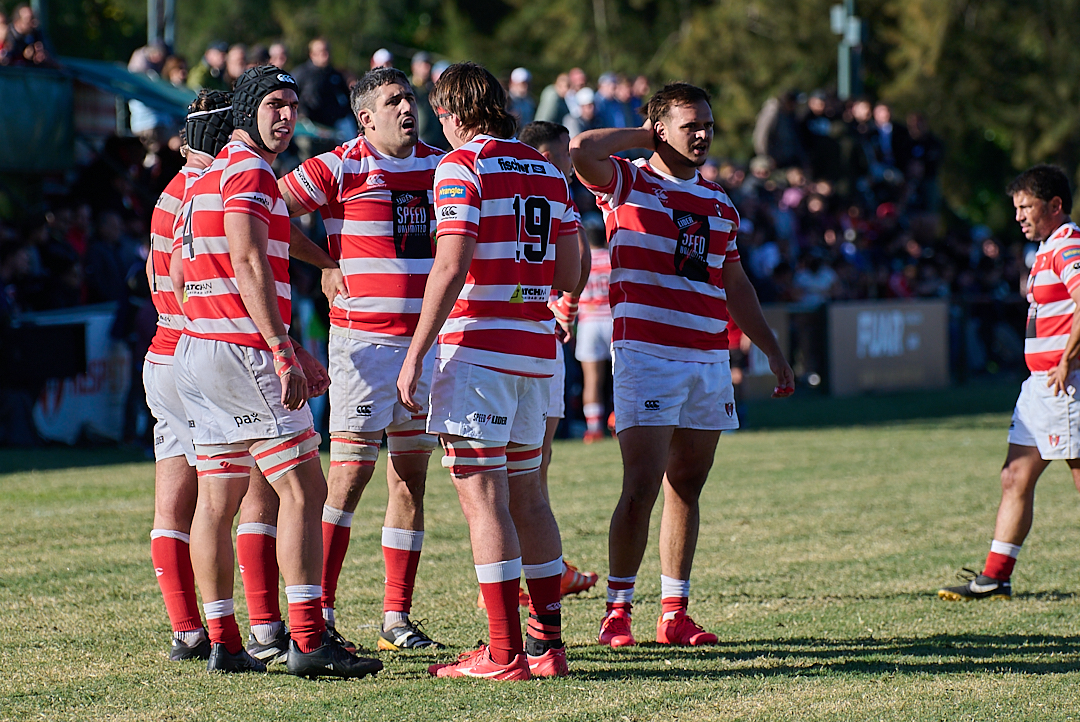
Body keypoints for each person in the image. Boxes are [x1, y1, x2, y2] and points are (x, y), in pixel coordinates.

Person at [173, 65, 381, 678]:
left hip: (197, 348)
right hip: (241, 350)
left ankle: (223, 640)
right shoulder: (251, 169)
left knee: (218, 499)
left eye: (292, 104)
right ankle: (310, 640)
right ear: (245, 110)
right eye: (273, 104)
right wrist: (279, 347)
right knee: (305, 490)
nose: (287, 116)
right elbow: (247, 258)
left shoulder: (205, 176)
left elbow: (188, 272)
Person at [570, 82, 794, 648]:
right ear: (660, 128)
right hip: (647, 355)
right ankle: (618, 610)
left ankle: (674, 613)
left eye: (707, 125)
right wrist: (643, 136)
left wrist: (770, 347)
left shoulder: (720, 202)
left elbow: (735, 282)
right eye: (690, 125)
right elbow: (580, 149)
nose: (702, 135)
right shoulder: (627, 181)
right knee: (641, 485)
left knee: (687, 485)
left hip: (708, 357)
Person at [396, 62, 581, 680]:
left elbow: (450, 265)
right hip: (535, 350)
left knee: (484, 499)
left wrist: (416, 352)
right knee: (530, 496)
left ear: (452, 111)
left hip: (478, 350)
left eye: (439, 114)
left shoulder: (461, 165)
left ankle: (503, 654)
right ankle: (546, 647)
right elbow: (570, 274)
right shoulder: (547, 170)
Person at [279, 67, 446, 651]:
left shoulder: (443, 167)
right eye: (394, 100)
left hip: (425, 346)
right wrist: (324, 263)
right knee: (348, 479)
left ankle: (396, 618)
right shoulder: (340, 164)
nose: (407, 108)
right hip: (363, 345)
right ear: (366, 118)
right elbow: (267, 210)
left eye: (410, 98)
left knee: (410, 481)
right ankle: (320, 613)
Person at [939, 165, 1080, 602]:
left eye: (1026, 207)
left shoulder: (1068, 243)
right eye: (1016, 208)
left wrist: (1067, 360)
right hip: (1039, 387)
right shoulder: (1046, 248)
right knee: (1014, 476)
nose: (1018, 216)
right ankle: (996, 577)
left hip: (1066, 385)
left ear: (1054, 205)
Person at [144, 89, 236, 663]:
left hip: (161, 352)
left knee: (172, 507)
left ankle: (186, 630)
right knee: (239, 499)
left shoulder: (170, 191)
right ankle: (256, 628)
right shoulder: (213, 189)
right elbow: (190, 275)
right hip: (197, 353)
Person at [514, 119, 597, 598]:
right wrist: (566, 307)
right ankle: (539, 572)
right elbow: (579, 260)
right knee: (528, 467)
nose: (572, 162)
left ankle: (528, 572)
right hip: (531, 335)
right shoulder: (552, 190)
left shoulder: (508, 184)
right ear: (545, 156)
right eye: (565, 153)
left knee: (513, 468)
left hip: (506, 335)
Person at [574, 221, 612, 443]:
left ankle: (594, 428)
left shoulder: (582, 260)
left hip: (589, 322)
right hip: (613, 320)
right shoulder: (611, 258)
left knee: (592, 379)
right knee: (623, 378)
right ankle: (620, 422)